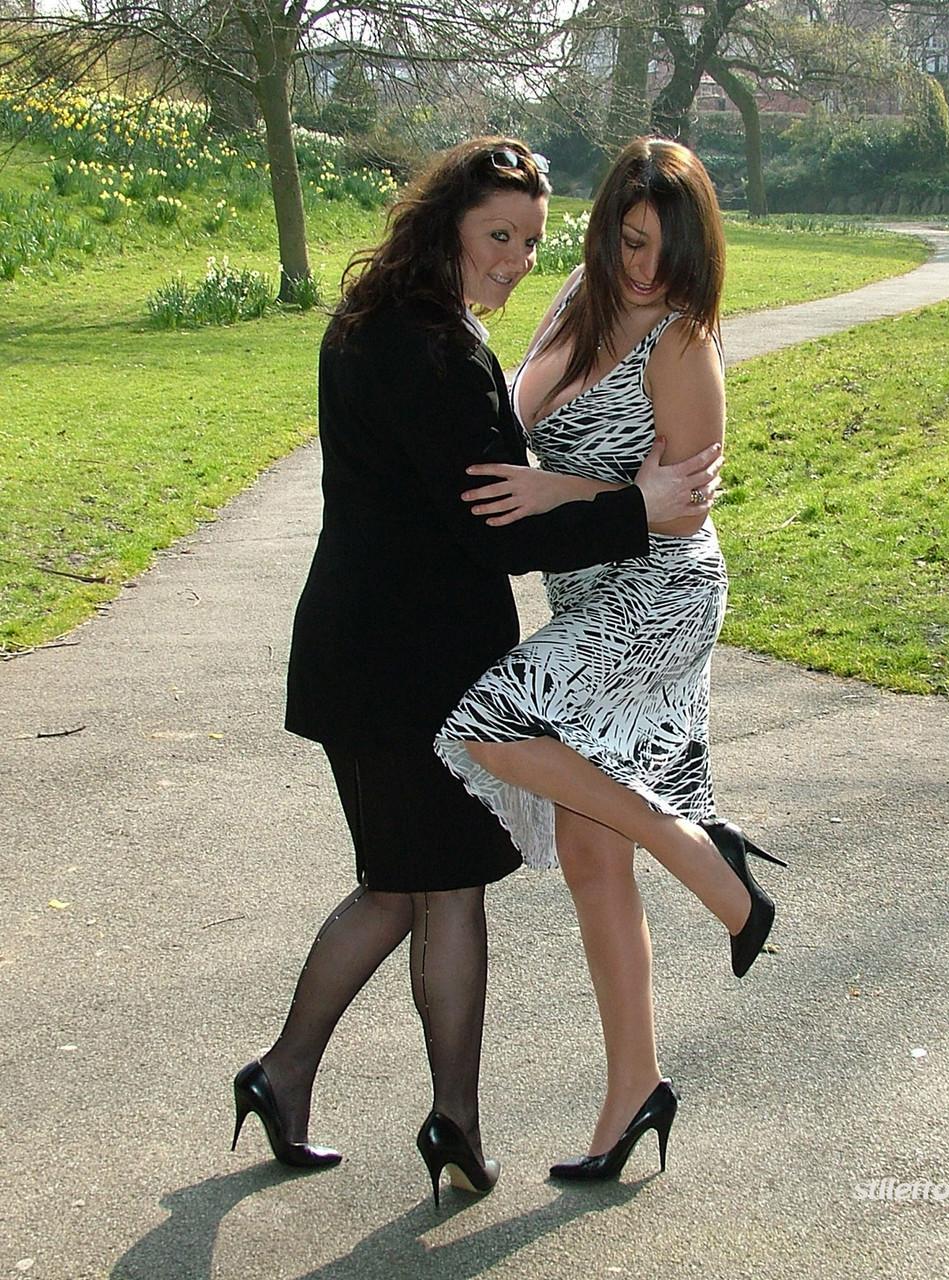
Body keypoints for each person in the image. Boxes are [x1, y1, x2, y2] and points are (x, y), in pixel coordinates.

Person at [228, 136, 724, 1208]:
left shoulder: (371, 321)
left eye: (531, 239)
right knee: (426, 884)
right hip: (408, 665)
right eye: (498, 234)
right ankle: (367, 1094)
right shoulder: (438, 352)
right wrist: (639, 509)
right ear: (448, 222)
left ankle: (357, 1093)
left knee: (418, 881)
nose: (514, 257)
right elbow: (495, 528)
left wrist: (608, 497)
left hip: (363, 652)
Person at [436, 138, 785, 1183]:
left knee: (484, 725)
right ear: (604, 231)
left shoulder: (682, 343)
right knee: (591, 857)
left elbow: (678, 515)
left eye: (666, 248)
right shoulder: (572, 308)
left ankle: (704, 856)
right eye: (631, 242)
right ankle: (633, 1089)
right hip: (585, 589)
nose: (644, 268)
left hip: (663, 596)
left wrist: (554, 494)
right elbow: (505, 419)